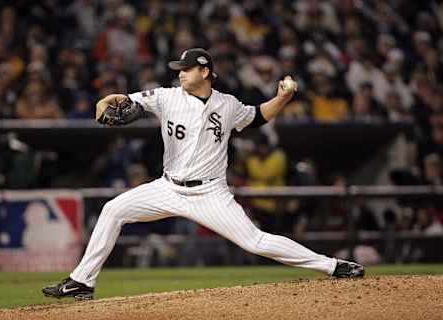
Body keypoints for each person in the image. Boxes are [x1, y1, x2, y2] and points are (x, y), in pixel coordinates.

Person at [42, 48, 364, 300]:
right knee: (113, 210)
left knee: (255, 241)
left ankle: (333, 266)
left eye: (186, 69)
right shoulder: (167, 96)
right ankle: (82, 282)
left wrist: (281, 98)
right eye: (178, 70)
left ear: (205, 71)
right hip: (167, 188)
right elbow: (131, 103)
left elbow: (255, 117)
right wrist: (109, 99)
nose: (180, 74)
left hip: (210, 194)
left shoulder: (227, 104)